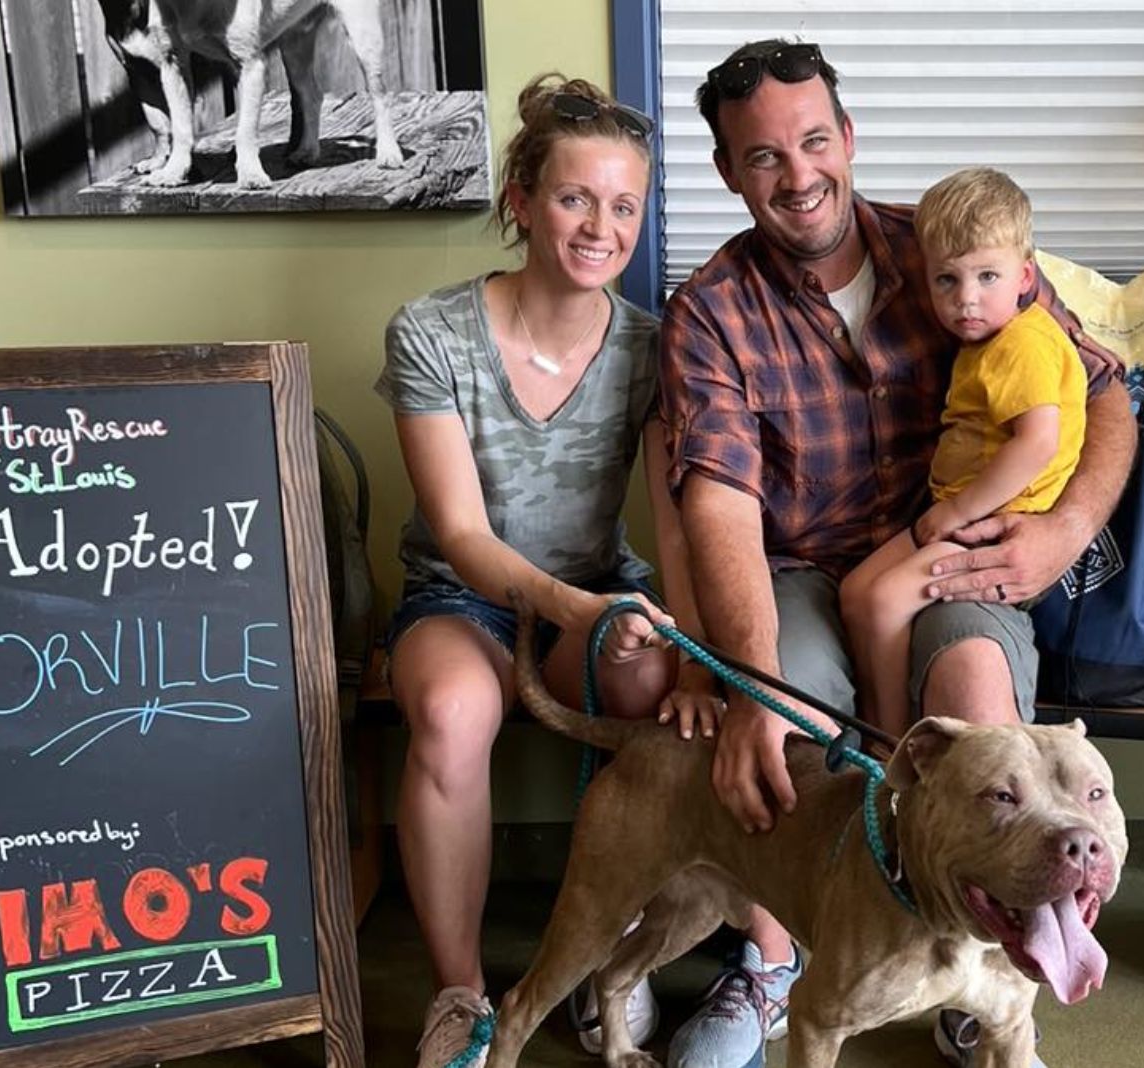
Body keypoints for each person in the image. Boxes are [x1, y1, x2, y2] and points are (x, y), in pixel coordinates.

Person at [657, 39, 1136, 1068]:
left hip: (951, 555)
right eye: (762, 158)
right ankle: (780, 964)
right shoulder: (710, 312)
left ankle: (1000, 974)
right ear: (728, 173)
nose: (797, 175)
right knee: (786, 728)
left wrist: (1064, 528)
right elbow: (720, 503)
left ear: (849, 138)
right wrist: (750, 680)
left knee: (979, 706)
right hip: (802, 571)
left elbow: (1101, 395)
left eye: (814, 141)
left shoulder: (957, 246)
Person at [375, 73, 721, 1068]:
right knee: (448, 713)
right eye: (575, 199)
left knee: (659, 686)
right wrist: (575, 607)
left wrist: (693, 655)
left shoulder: (656, 351)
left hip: (595, 588)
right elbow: (463, 531)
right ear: (522, 202)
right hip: (460, 595)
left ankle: (604, 962)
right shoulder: (431, 335)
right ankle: (461, 995)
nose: (598, 228)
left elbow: (672, 517)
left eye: (622, 206)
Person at [839, 166, 1087, 739]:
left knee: (881, 604)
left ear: (1025, 277)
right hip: (960, 512)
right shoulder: (989, 342)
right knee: (856, 593)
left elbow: (1038, 443)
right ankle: (880, 719)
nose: (966, 299)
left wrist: (959, 511)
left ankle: (891, 744)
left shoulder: (1023, 343)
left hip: (994, 524)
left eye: (986, 276)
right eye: (947, 280)